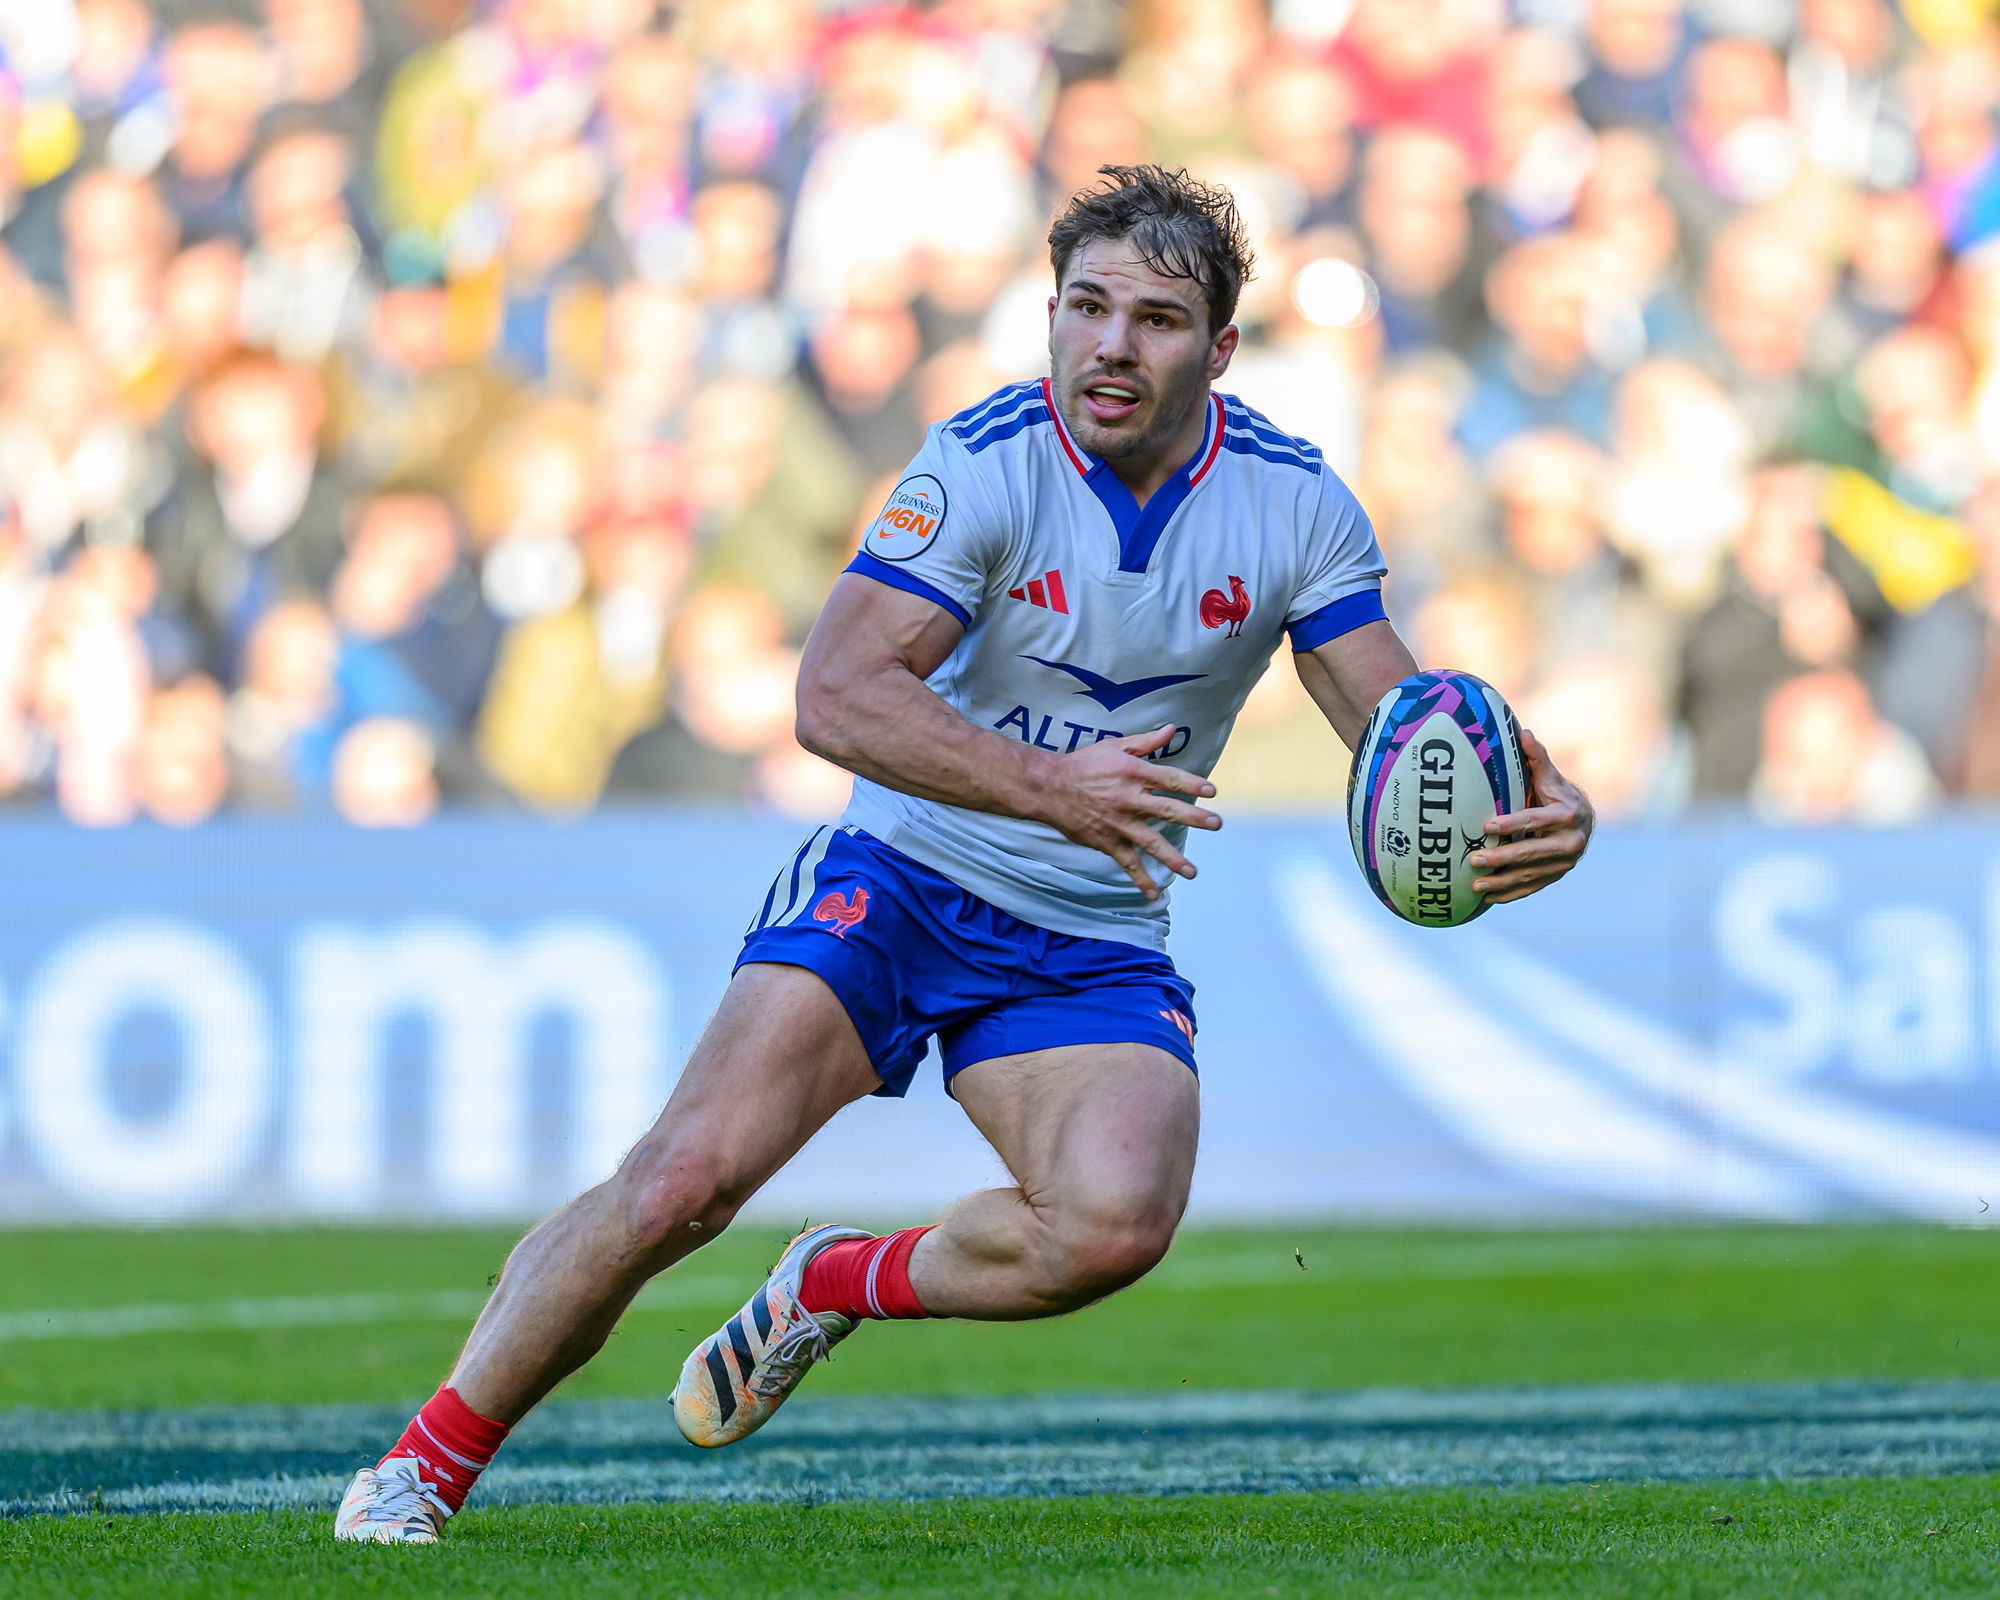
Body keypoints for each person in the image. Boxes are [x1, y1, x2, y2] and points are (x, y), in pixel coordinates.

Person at [333, 165, 1595, 1544]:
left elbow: (1393, 722)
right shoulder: (985, 463)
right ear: (1049, 314)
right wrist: (1055, 788)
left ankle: (831, 1284)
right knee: (680, 1185)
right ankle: (422, 1467)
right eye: (1086, 307)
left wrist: (1516, 807)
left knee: (1110, 1228)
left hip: (1091, 923)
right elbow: (836, 695)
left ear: (1220, 352)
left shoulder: (1292, 506)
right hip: (905, 876)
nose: (1112, 345)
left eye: (1158, 320)